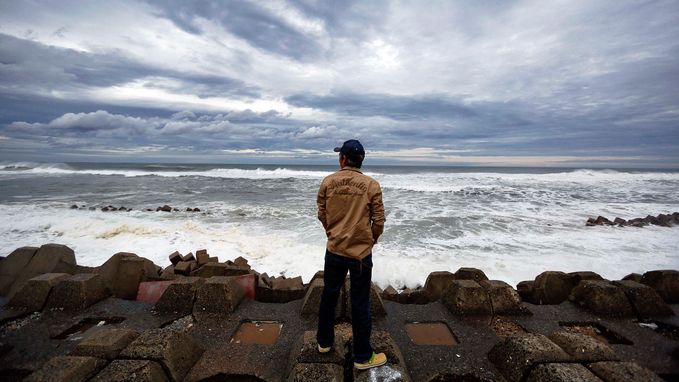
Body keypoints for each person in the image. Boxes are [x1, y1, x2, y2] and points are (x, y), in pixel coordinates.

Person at [316, 139, 387, 370]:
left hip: (334, 249)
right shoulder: (371, 185)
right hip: (360, 255)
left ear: (343, 159)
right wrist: (371, 240)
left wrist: (331, 232)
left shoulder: (328, 182)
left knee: (329, 295)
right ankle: (362, 356)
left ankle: (324, 343)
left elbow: (321, 212)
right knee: (360, 302)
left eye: (340, 156)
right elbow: (379, 221)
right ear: (361, 160)